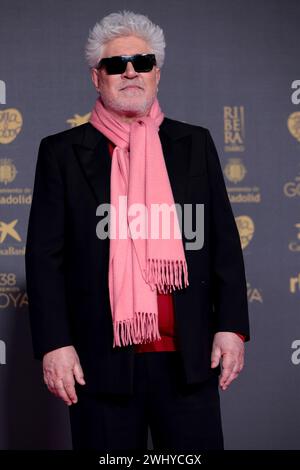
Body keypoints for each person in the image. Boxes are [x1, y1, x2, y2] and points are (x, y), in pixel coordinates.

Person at [25, 11, 250, 451]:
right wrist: (55, 344)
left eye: (142, 61)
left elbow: (223, 241)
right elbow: (45, 260)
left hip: (189, 359)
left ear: (156, 74)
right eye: (116, 64)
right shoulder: (61, 153)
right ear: (97, 78)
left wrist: (231, 328)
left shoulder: (195, 143)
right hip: (99, 364)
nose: (130, 71)